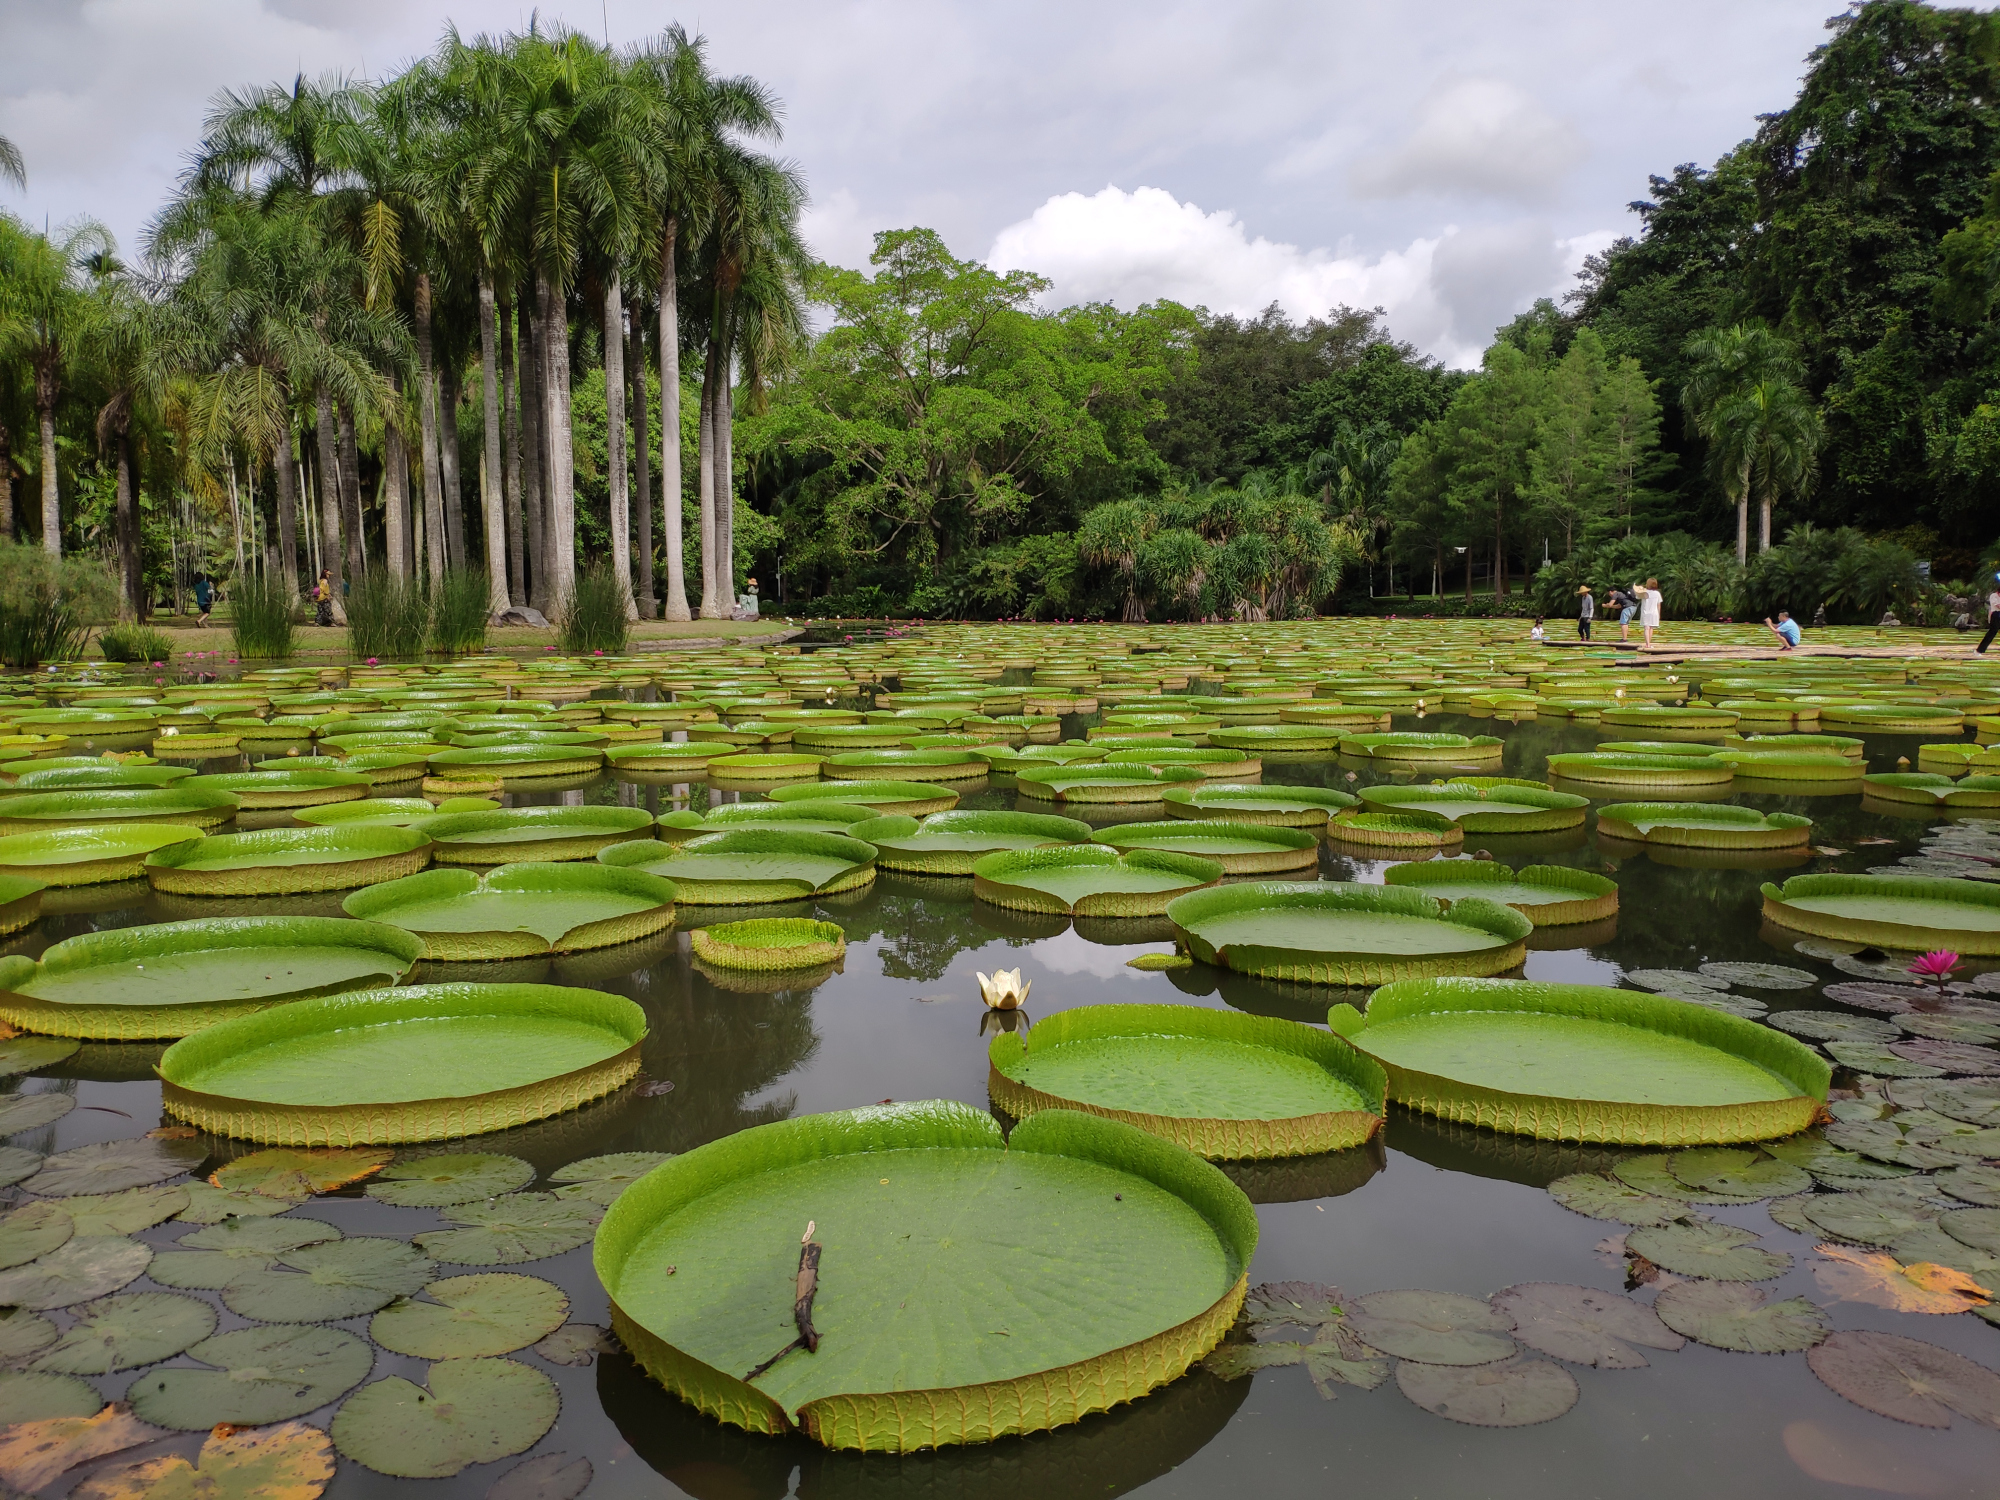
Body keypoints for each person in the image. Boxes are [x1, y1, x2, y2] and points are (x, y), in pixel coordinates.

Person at [1638, 577, 1663, 646]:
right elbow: (1659, 605)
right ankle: (1649, 643)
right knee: (1651, 628)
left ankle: (1647, 644)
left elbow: (1637, 596)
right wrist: (1659, 614)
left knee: (1646, 628)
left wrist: (1640, 589)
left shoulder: (1644, 592)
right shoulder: (1657, 593)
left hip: (1645, 612)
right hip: (1654, 613)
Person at [1980, 574, 2000, 654]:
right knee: (1992, 632)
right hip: (1996, 615)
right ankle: (1980, 650)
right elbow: (1997, 605)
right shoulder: (1993, 596)